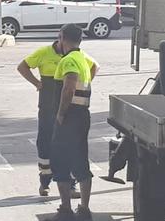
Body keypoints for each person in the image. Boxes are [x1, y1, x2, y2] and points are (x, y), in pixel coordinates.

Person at [51, 24, 99, 221]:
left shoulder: (69, 60)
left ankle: (65, 209)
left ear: (62, 37)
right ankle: (84, 208)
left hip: (70, 116)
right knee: (80, 158)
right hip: (82, 115)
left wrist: (61, 114)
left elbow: (69, 86)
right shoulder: (82, 58)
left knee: (60, 159)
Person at [17, 39, 76, 197]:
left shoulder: (74, 55)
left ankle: (71, 184)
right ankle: (45, 182)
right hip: (47, 106)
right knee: (45, 142)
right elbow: (22, 66)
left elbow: (94, 66)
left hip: (66, 106)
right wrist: (36, 82)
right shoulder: (43, 53)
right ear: (61, 39)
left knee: (68, 143)